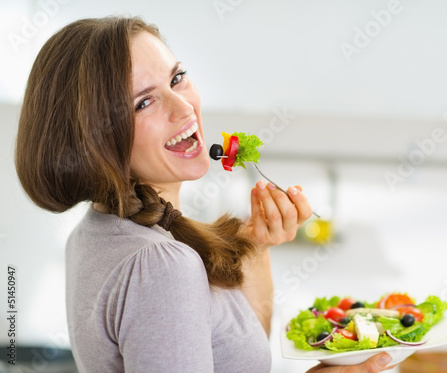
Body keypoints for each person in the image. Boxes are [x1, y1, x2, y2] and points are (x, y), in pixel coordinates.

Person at [15, 16, 394, 373]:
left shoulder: (95, 232)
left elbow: (235, 358)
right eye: (143, 102)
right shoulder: (162, 264)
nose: (184, 107)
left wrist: (255, 249)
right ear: (95, 138)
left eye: (177, 78)